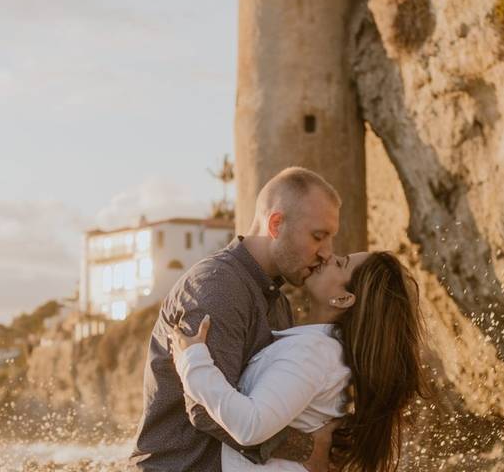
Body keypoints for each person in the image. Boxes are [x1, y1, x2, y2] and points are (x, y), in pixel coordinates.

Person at [131, 167, 344, 471]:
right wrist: (307, 448)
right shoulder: (218, 288)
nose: (327, 252)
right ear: (276, 224)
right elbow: (205, 409)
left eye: (330, 239)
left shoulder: (276, 300)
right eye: (318, 237)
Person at [170, 250, 427, 472]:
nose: (327, 256)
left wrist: (194, 361)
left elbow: (250, 426)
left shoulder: (314, 353)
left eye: (341, 263)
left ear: (343, 299)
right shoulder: (324, 352)